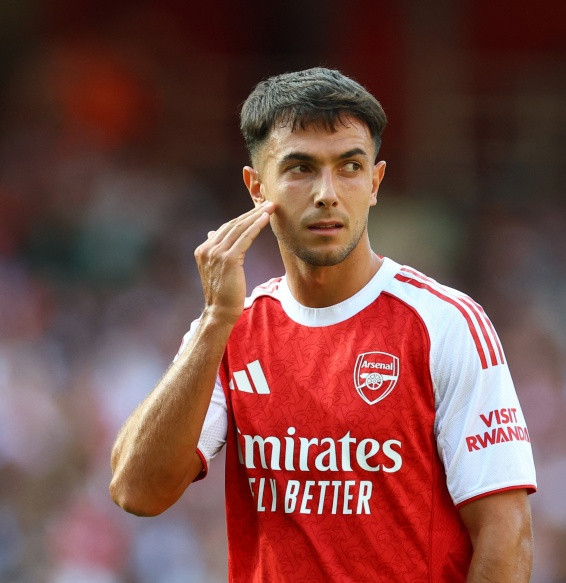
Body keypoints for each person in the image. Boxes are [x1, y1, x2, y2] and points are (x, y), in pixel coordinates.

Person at [109, 67, 537, 582]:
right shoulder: (230, 328)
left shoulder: (446, 323)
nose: (327, 193)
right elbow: (137, 492)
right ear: (256, 187)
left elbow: (505, 534)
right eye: (300, 168)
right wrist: (215, 320)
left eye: (350, 166)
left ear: (375, 182)